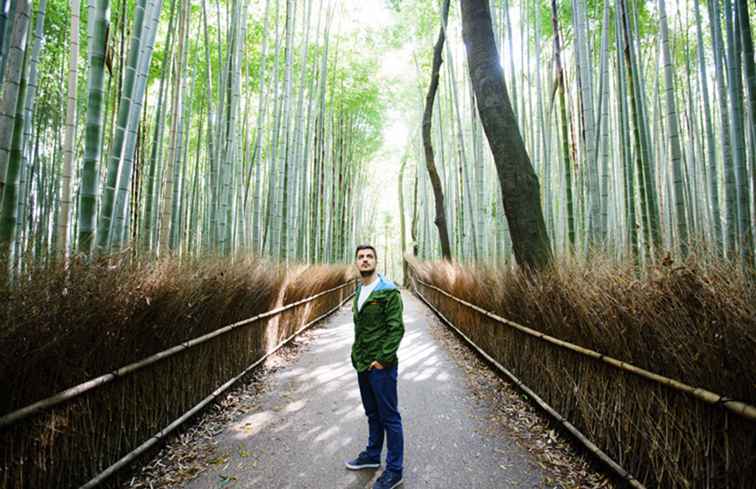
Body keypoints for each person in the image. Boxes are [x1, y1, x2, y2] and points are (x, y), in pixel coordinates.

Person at [345, 244, 405, 489]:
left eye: (369, 256)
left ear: (376, 261)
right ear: (356, 263)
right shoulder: (360, 290)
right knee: (372, 414)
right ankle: (372, 455)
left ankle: (394, 470)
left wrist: (382, 359)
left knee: (390, 417)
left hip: (381, 366)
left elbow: (396, 329)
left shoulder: (388, 291)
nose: (365, 260)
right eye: (361, 257)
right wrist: (358, 357)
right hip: (362, 363)